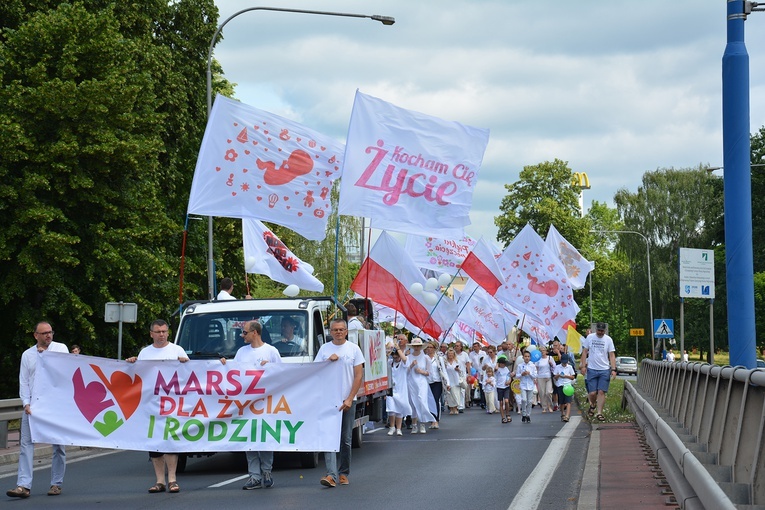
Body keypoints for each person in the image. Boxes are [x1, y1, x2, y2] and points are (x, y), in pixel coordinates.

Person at [6, 322, 69, 499]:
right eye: (44, 333)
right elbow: (24, 381)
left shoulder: (60, 348)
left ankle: (56, 483)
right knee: (26, 445)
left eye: (50, 332)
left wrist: (47, 357)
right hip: (34, 406)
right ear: (36, 336)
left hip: (55, 406)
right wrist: (26, 403)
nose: (48, 336)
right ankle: (23, 486)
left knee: (58, 445)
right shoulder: (28, 355)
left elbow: (66, 371)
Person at [126, 319, 189, 493]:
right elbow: (137, 376)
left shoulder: (177, 350)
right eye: (158, 331)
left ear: (168, 332)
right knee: (155, 445)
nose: (161, 334)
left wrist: (185, 363)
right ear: (151, 334)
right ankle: (160, 481)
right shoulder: (145, 353)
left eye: (164, 331)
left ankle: (173, 479)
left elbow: (191, 376)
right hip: (151, 406)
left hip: (172, 405)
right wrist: (132, 363)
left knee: (169, 442)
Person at [221, 320, 281, 489]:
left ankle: (267, 471)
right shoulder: (241, 352)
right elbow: (234, 373)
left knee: (265, 437)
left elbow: (282, 374)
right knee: (249, 438)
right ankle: (254, 475)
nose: (242, 336)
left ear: (255, 333)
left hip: (265, 402)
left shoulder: (271, 351)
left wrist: (269, 367)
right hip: (247, 402)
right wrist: (225, 365)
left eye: (245, 333)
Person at [315, 319, 364, 488]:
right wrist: (327, 361)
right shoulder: (324, 349)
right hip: (328, 401)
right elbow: (315, 371)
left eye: (341, 329)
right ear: (330, 331)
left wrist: (350, 398)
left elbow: (358, 376)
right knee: (329, 437)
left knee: (345, 439)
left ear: (346, 331)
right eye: (335, 329)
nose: (338, 332)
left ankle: (344, 473)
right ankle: (331, 475)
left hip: (347, 399)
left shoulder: (353, 349)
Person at [580, 322, 617, 422]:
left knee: (601, 392)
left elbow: (612, 355)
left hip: (604, 369)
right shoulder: (590, 338)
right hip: (591, 368)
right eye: (599, 330)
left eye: (602, 331)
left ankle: (599, 413)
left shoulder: (608, 339)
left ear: (604, 330)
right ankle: (593, 404)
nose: (600, 332)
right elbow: (584, 352)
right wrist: (583, 366)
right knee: (592, 393)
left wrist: (613, 369)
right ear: (596, 329)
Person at [406, 338, 437, 434]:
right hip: (412, 382)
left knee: (422, 402)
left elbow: (430, 373)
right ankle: (414, 425)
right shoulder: (409, 357)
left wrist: (421, 371)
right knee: (413, 403)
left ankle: (422, 424)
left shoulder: (426, 358)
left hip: (422, 382)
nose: (416, 347)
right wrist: (411, 366)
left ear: (421, 347)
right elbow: (405, 372)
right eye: (415, 346)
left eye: (418, 346)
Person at [386, 344, 411, 436]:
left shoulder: (403, 364)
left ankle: (399, 428)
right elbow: (383, 361)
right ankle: (392, 427)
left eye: (397, 357)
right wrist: (389, 352)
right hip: (391, 388)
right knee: (391, 409)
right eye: (394, 357)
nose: (395, 359)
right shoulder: (390, 362)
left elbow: (404, 359)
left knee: (399, 409)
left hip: (401, 389)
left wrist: (398, 349)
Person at [425, 341, 448, 428]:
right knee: (428, 402)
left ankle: (436, 420)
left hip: (437, 381)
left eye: (431, 347)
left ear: (434, 348)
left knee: (435, 400)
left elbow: (443, 371)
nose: (429, 349)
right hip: (427, 382)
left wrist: (447, 382)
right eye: (428, 347)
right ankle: (432, 420)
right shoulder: (424, 358)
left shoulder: (439, 358)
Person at [515, 350, 538, 423]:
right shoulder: (520, 365)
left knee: (529, 401)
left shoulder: (532, 365)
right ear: (523, 357)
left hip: (530, 385)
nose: (527, 358)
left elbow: (535, 375)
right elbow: (517, 375)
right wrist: (522, 374)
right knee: (524, 399)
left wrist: (529, 373)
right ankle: (524, 413)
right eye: (525, 356)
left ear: (530, 357)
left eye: (528, 356)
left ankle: (528, 415)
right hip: (523, 385)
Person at [554, 354, 576, 422]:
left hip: (568, 385)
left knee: (568, 401)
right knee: (562, 402)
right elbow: (555, 377)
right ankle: (562, 413)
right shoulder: (557, 367)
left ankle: (567, 415)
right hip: (560, 385)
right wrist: (559, 375)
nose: (564, 363)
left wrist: (566, 376)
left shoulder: (569, 367)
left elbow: (573, 377)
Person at [535, 345, 556, 413]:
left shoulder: (550, 358)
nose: (542, 352)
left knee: (548, 392)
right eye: (540, 351)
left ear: (546, 351)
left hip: (548, 376)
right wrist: (535, 378)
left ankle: (550, 405)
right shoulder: (538, 360)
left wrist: (551, 364)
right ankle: (544, 407)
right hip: (540, 377)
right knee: (542, 393)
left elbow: (554, 367)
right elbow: (536, 369)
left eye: (543, 350)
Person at [443, 348, 462, 415]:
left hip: (456, 380)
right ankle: (451, 408)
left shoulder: (457, 361)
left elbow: (461, 371)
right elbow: (443, 371)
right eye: (449, 354)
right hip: (448, 380)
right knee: (449, 395)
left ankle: (455, 408)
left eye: (451, 354)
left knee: (455, 394)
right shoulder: (445, 362)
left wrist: (458, 370)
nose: (450, 355)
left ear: (454, 355)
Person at [453, 341, 470, 412]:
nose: (456, 347)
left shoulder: (465, 354)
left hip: (462, 374)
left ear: (461, 347)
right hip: (454, 374)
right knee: (455, 390)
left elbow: (468, 364)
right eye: (455, 346)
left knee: (462, 390)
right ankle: (456, 404)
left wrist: (469, 374)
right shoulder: (453, 354)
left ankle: (461, 406)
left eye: (457, 346)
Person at [495, 356, 513, 423]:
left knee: (506, 401)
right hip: (499, 387)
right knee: (501, 402)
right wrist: (497, 363)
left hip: (506, 387)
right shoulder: (497, 369)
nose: (504, 364)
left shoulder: (506, 369)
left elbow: (509, 376)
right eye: (503, 363)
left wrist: (509, 381)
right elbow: (496, 368)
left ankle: (508, 414)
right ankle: (503, 417)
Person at [468, 342, 486, 408]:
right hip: (475, 372)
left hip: (482, 371)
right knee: (475, 387)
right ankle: (475, 399)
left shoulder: (483, 353)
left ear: (479, 347)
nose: (475, 348)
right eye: (474, 346)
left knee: (482, 386)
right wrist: (471, 371)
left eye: (476, 346)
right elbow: (469, 363)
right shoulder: (471, 354)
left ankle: (483, 401)